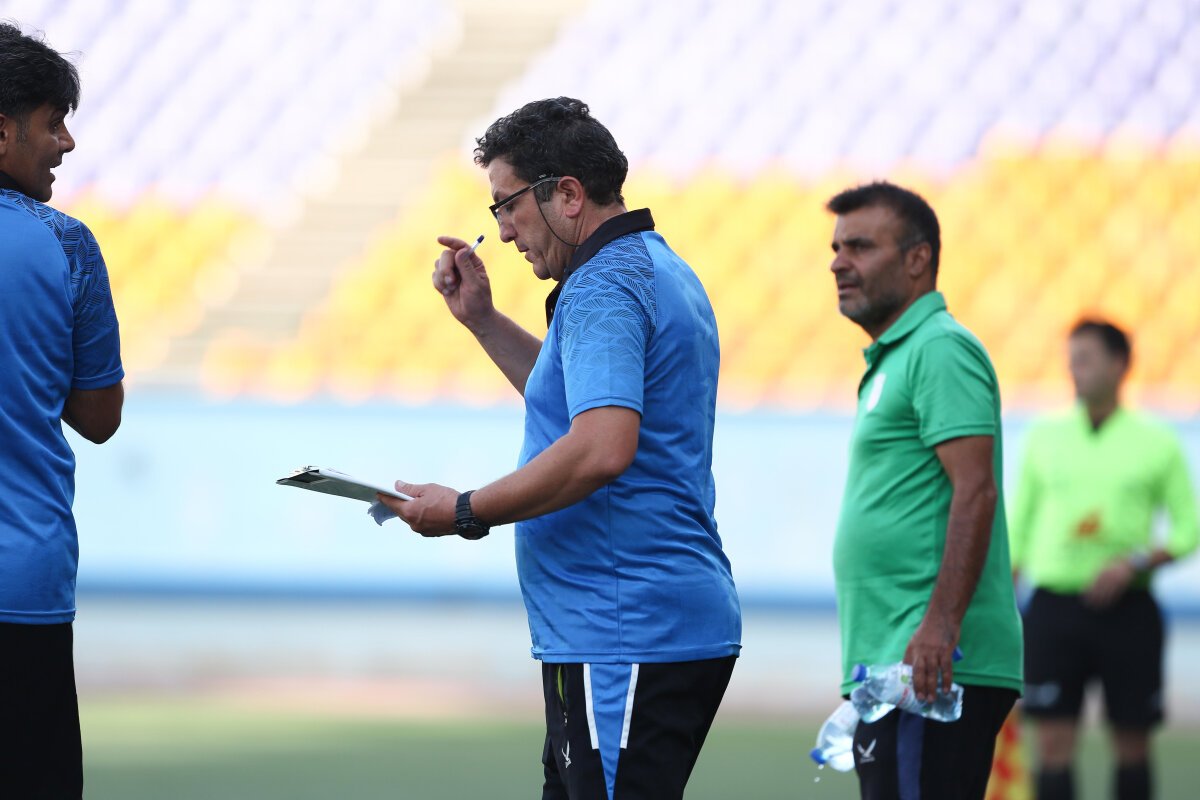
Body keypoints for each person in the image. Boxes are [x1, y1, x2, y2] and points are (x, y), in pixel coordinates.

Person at [375, 97, 741, 800]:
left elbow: (600, 447)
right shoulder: (651, 266)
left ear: (568, 195)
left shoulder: (605, 283)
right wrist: (483, 322)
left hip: (623, 629)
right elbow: (579, 405)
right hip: (626, 626)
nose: (503, 232)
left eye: (507, 205)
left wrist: (465, 509)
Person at [826, 181, 1023, 799]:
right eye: (836, 248)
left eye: (860, 246)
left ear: (917, 259)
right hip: (896, 662)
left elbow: (976, 491)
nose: (838, 263)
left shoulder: (939, 349)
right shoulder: (896, 358)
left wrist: (940, 626)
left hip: (935, 663)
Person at [0, 21, 124, 797]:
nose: (67, 143)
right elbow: (100, 416)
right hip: (22, 583)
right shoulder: (66, 244)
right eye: (53, 123)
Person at [1010, 320, 1199, 800]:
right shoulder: (1044, 436)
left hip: (1129, 612)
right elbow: (1018, 526)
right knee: (1052, 746)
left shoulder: (1156, 441)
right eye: (1071, 359)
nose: (1074, 369)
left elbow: (1189, 526)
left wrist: (1135, 563)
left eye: (1086, 359)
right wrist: (1002, 602)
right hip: (1054, 609)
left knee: (1132, 746)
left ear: (1120, 364)